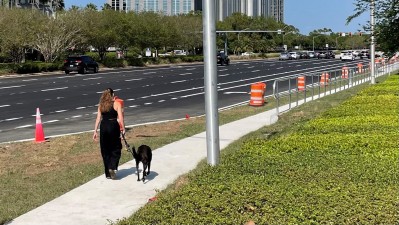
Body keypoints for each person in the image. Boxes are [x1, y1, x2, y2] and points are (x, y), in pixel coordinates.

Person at [93, 88, 125, 180]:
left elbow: (98, 118)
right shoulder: (117, 104)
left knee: (105, 149)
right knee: (116, 147)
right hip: (113, 125)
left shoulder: (101, 105)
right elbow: (120, 117)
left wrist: (95, 131)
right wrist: (122, 128)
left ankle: (108, 172)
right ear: (112, 95)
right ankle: (113, 167)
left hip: (104, 126)